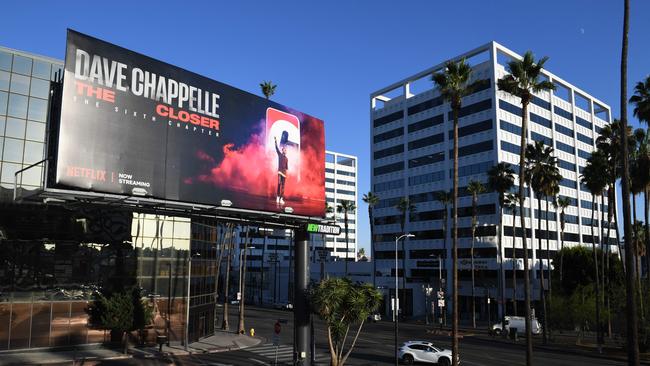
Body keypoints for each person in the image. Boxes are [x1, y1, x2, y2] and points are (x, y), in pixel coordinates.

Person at [274, 136, 288, 205]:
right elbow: (276, 148)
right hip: (280, 171)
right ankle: (277, 196)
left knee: (283, 186)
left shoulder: (287, 159)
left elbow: (286, 167)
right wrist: (276, 141)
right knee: (279, 184)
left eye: (286, 150)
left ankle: (281, 198)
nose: (286, 151)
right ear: (282, 150)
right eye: (285, 150)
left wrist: (286, 173)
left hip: (284, 173)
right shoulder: (280, 155)